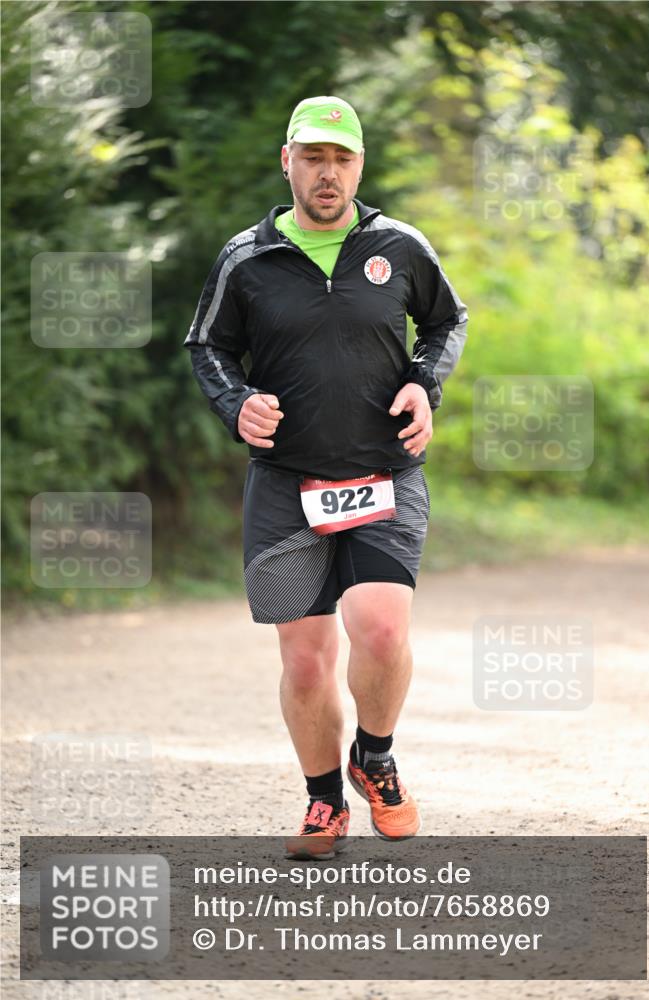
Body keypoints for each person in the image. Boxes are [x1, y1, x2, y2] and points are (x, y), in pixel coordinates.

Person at [185, 96, 468, 859]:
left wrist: (423, 382)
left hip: (383, 474)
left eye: (341, 159)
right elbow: (207, 346)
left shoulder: (398, 247)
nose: (327, 173)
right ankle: (322, 803)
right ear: (287, 162)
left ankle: (373, 755)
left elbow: (447, 320)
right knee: (306, 660)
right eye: (313, 157)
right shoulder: (247, 259)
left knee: (379, 628)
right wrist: (235, 403)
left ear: (359, 167)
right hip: (285, 486)